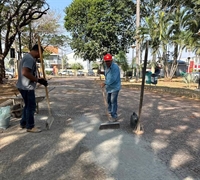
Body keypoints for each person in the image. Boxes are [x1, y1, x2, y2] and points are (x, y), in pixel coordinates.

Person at [16, 44, 48, 133]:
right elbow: (25, 73)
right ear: (38, 52)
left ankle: (23, 123)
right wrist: (37, 80)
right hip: (26, 87)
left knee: (27, 106)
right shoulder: (29, 59)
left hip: (24, 86)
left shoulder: (28, 58)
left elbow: (29, 73)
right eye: (41, 53)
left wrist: (40, 79)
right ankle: (30, 126)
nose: (41, 56)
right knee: (31, 106)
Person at [98, 53, 121, 121]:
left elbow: (113, 78)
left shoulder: (115, 67)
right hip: (109, 88)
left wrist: (104, 83)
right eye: (106, 61)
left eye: (108, 61)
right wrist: (101, 72)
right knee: (108, 100)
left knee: (113, 101)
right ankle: (110, 112)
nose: (107, 63)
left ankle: (114, 116)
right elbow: (106, 73)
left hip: (115, 87)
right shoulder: (106, 66)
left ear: (111, 60)